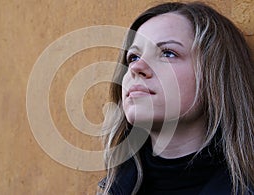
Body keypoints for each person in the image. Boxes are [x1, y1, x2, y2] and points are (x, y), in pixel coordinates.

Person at [97, 1, 254, 195]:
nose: (136, 68)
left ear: (216, 76)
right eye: (133, 57)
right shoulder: (114, 188)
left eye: (168, 53)